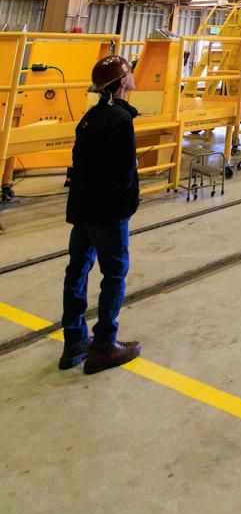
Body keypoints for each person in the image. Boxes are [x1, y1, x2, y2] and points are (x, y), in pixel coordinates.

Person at [59, 55, 142, 375]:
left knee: (77, 270)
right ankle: (104, 345)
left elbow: (78, 165)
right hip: (108, 214)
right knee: (114, 274)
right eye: (130, 74)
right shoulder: (121, 120)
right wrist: (127, 208)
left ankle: (74, 341)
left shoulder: (89, 118)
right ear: (122, 82)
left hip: (83, 210)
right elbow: (124, 175)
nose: (133, 77)